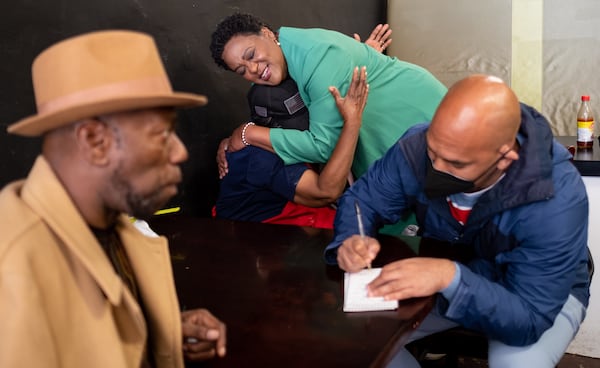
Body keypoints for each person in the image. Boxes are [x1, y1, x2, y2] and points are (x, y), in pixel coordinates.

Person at [325, 74, 592, 367]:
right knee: (353, 342)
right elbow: (364, 200)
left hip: (531, 296)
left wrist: (449, 277)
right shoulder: (419, 147)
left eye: (456, 164)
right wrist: (351, 238)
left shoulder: (556, 197)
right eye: (433, 152)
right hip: (444, 279)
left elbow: (528, 320)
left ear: (505, 157)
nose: (436, 169)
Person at [0, 30, 226, 367]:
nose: (180, 152)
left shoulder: (112, 224)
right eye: (162, 134)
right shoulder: (12, 270)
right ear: (94, 141)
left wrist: (156, 332)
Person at [209, 12, 447, 183]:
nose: (252, 69)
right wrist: (236, 137)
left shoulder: (318, 57)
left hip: (408, 110)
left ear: (268, 34)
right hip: (381, 130)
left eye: (251, 54)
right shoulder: (285, 58)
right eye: (241, 71)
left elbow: (323, 146)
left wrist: (247, 133)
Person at [214, 66, 368, 228]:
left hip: (286, 206)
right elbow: (325, 192)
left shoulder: (256, 135)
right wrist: (352, 122)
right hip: (252, 231)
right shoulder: (262, 159)